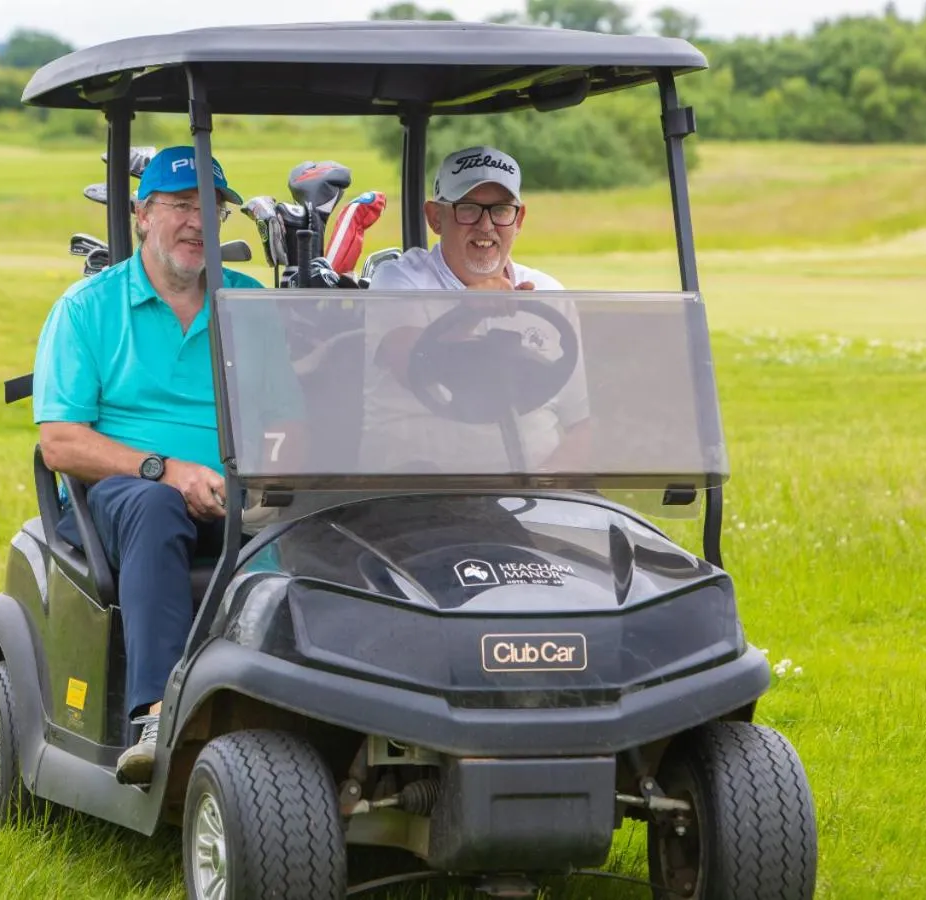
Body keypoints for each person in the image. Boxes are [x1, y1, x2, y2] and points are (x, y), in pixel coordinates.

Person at [31, 145, 300, 784]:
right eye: (180, 205)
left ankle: (300, 707)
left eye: (211, 208)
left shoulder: (246, 304)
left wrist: (268, 478)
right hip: (123, 495)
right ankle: (156, 715)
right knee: (156, 507)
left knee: (323, 525)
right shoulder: (89, 308)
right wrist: (169, 470)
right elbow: (61, 443)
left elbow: (286, 421)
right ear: (143, 214)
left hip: (234, 493)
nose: (197, 222)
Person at [363, 145, 591, 474]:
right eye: (468, 209)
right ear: (435, 217)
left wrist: (543, 489)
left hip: (530, 496)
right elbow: (416, 366)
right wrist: (470, 312)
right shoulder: (399, 280)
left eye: (500, 211)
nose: (486, 226)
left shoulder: (549, 292)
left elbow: (582, 424)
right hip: (414, 492)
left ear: (519, 219)